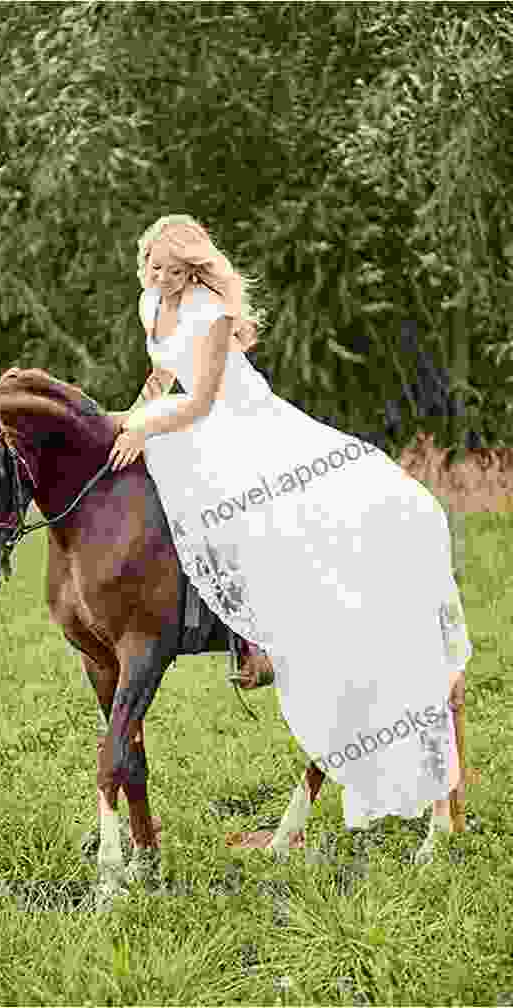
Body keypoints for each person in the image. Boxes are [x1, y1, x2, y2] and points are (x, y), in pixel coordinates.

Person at [107, 213, 472, 833]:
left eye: (169, 269)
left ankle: (255, 643)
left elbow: (199, 401)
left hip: (231, 422)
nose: (157, 278)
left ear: (192, 268)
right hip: (180, 416)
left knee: (240, 508)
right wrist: (125, 415)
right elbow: (163, 377)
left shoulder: (210, 312)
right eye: (150, 266)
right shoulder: (150, 304)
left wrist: (145, 426)